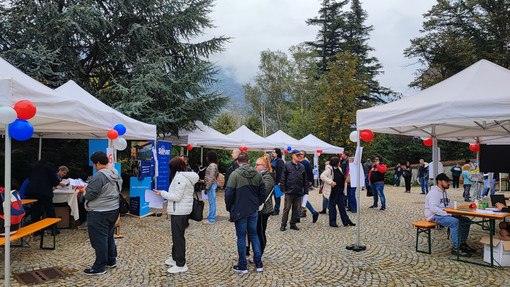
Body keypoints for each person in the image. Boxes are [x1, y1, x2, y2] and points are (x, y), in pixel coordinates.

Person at [156, 157, 199, 273]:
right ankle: (175, 258)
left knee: (178, 237)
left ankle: (181, 264)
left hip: (180, 211)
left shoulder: (180, 178)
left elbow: (177, 197)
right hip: (180, 210)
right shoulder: (183, 176)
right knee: (177, 236)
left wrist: (162, 193)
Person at [225, 152, 266, 273]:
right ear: (249, 161)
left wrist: (229, 207)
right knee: (254, 235)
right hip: (253, 209)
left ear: (238, 162)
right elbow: (263, 192)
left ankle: (242, 264)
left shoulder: (234, 174)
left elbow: (229, 194)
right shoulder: (257, 174)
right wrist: (257, 203)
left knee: (242, 236)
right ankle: (258, 262)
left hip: (239, 209)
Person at [82, 151, 122, 275]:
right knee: (109, 236)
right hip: (113, 209)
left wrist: (84, 190)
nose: (94, 166)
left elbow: (90, 194)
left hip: (99, 212)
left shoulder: (99, 176)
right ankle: (111, 260)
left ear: (98, 163)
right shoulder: (115, 173)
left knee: (99, 240)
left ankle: (99, 267)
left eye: (94, 164)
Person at [425, 173, 474, 257]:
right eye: (446, 181)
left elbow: (449, 207)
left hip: (444, 214)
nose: (448, 183)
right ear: (439, 182)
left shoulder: (446, 193)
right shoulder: (433, 193)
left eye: (449, 181)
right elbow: (433, 209)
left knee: (466, 220)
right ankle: (456, 247)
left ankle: (462, 243)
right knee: (454, 222)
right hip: (433, 216)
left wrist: (454, 212)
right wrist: (449, 214)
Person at [246, 156, 275, 258]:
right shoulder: (256, 176)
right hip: (254, 208)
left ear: (264, 166)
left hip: (263, 209)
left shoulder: (268, 177)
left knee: (260, 232)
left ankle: (259, 254)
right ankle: (251, 252)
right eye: (255, 164)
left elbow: (263, 193)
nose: (255, 166)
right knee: (252, 231)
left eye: (258, 165)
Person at [24, 154, 61, 226]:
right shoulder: (50, 166)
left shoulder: (35, 165)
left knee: (35, 211)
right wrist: (55, 183)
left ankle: (35, 230)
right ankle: (53, 229)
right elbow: (53, 179)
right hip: (44, 191)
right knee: (49, 209)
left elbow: (30, 178)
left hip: (33, 190)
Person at [320, 156, 355, 227]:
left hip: (340, 191)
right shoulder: (329, 169)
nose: (340, 163)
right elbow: (322, 176)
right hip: (333, 191)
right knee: (332, 208)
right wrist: (331, 182)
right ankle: (332, 222)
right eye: (339, 162)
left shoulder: (339, 168)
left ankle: (346, 221)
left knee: (342, 207)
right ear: (336, 163)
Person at [280, 150, 307, 231]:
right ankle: (283, 224)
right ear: (293, 155)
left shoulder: (302, 167)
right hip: (289, 191)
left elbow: (305, 179)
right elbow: (283, 178)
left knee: (296, 209)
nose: (299, 156)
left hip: (298, 191)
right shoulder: (287, 166)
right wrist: (283, 189)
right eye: (297, 155)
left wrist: (305, 191)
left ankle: (293, 223)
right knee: (286, 209)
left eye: (300, 155)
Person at [298, 150, 319, 223]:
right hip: (298, 183)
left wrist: (310, 182)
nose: (298, 155)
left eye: (300, 154)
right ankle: (298, 215)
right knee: (299, 198)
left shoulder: (306, 163)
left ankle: (314, 212)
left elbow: (310, 173)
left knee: (303, 198)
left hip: (304, 183)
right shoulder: (298, 162)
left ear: (303, 155)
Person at [204, 150, 219, 223]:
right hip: (212, 185)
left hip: (211, 185)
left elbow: (212, 177)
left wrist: (207, 187)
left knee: (212, 202)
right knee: (211, 202)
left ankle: (211, 219)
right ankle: (210, 217)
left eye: (207, 156)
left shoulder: (212, 166)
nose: (206, 158)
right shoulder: (214, 165)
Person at [271, 148, 285, 215]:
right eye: (272, 152)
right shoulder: (272, 160)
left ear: (277, 153)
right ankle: (271, 209)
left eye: (274, 152)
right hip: (271, 180)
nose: (272, 153)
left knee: (277, 196)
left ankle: (276, 209)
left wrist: (280, 181)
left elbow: (281, 172)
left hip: (277, 181)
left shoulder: (279, 161)